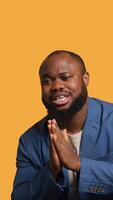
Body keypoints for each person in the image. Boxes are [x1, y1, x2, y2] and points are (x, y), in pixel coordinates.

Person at [11, 50, 113, 200]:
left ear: (85, 79)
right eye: (47, 81)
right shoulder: (29, 141)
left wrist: (78, 163)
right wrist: (51, 170)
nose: (57, 86)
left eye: (65, 77)